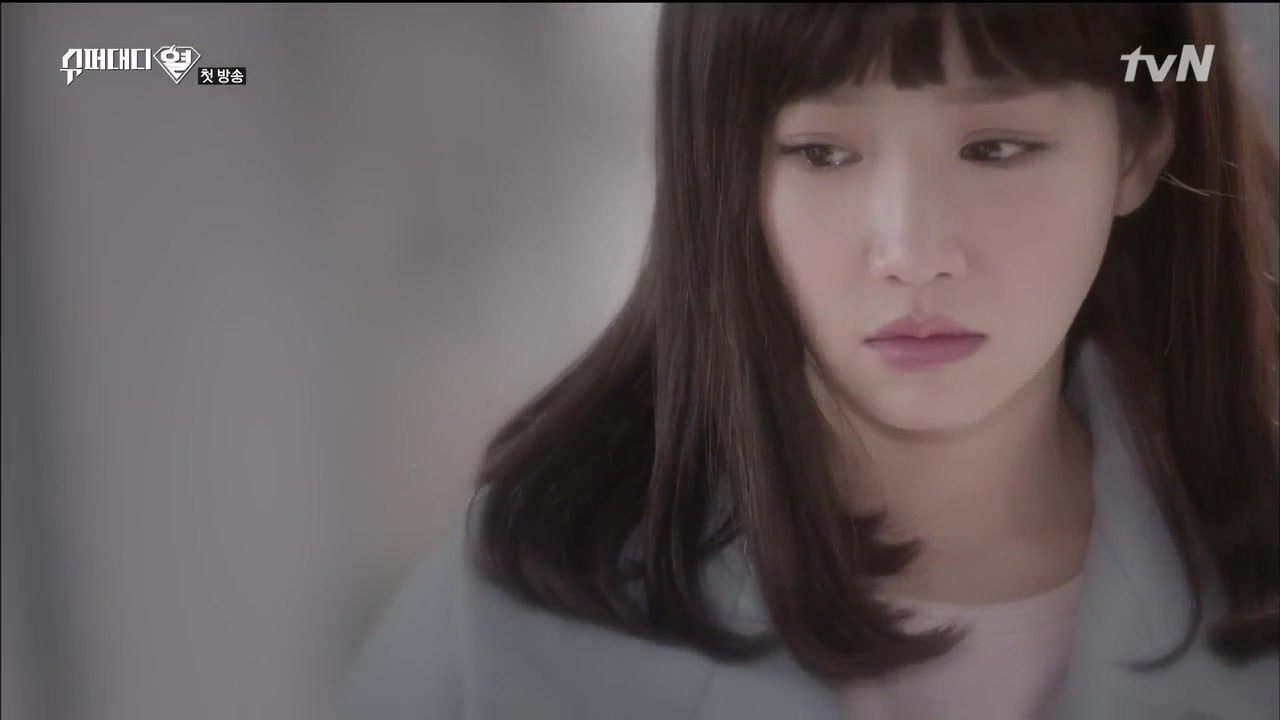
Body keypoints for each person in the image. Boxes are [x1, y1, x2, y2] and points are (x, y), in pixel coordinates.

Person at [337, 4, 1279, 718]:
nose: (913, 251)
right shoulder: (511, 612)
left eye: (997, 147)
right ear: (719, 169)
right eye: (821, 152)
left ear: (1139, 146)